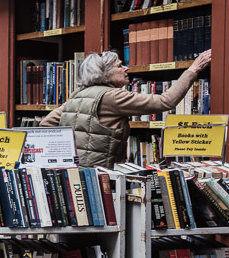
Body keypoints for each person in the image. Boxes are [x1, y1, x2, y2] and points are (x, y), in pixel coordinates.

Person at [40, 49, 213, 168]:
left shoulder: (78, 95)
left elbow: (46, 125)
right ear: (104, 72)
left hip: (75, 175)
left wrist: (67, 157)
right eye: (119, 66)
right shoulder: (113, 96)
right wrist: (194, 69)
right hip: (103, 178)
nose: (126, 68)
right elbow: (165, 102)